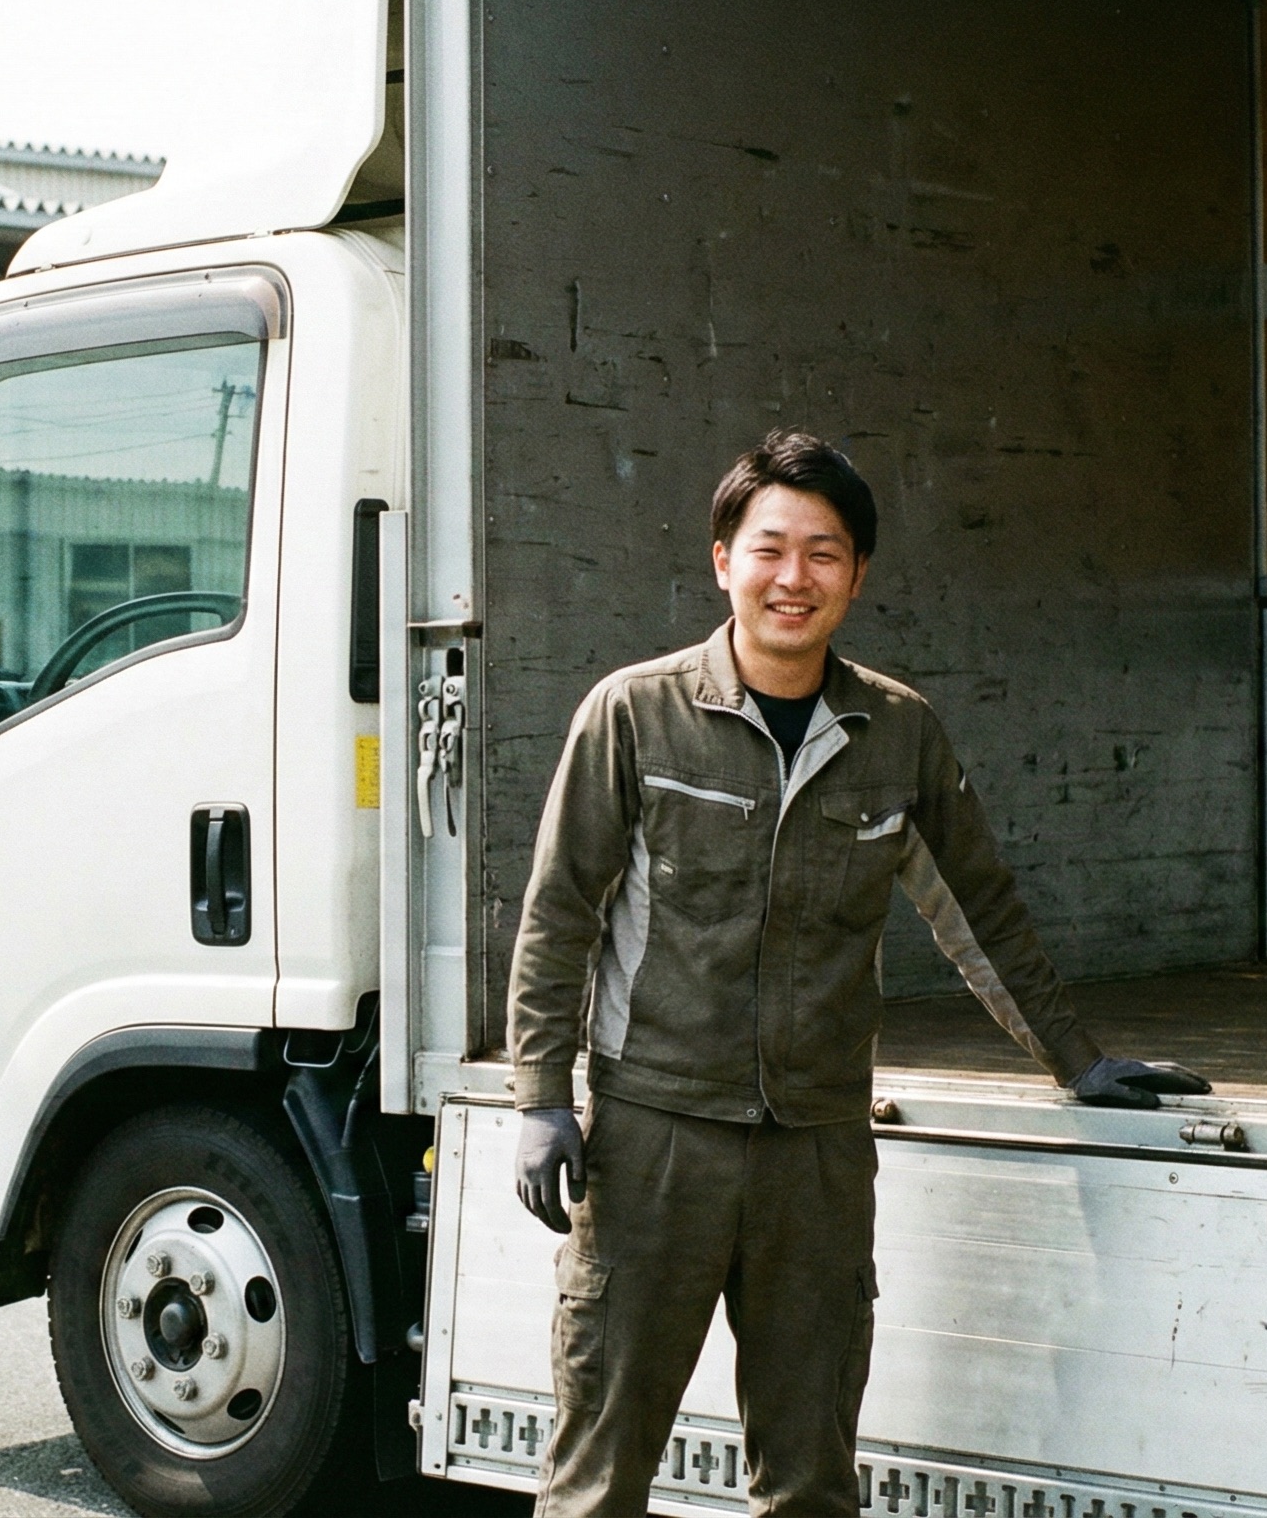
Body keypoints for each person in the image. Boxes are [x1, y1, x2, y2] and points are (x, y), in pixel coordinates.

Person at [505, 428, 1209, 1517]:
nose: (795, 579)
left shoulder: (897, 732)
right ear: (721, 559)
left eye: (824, 553)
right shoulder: (635, 716)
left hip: (817, 1157)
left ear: (858, 574)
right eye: (771, 547)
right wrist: (541, 1101)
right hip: (655, 1142)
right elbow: (558, 915)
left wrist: (1077, 1061)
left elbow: (981, 914)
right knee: (599, 1478)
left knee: (812, 1483)